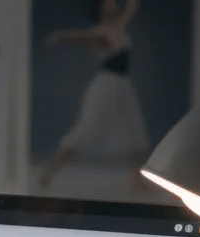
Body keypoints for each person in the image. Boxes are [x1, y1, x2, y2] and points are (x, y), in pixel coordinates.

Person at [37, 0, 148, 189]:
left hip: (122, 86)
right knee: (85, 130)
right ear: (102, 11)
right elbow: (80, 36)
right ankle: (48, 173)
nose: (113, 5)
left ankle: (136, 180)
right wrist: (60, 36)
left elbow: (132, 7)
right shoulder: (101, 31)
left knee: (133, 128)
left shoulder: (118, 26)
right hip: (106, 86)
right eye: (108, 4)